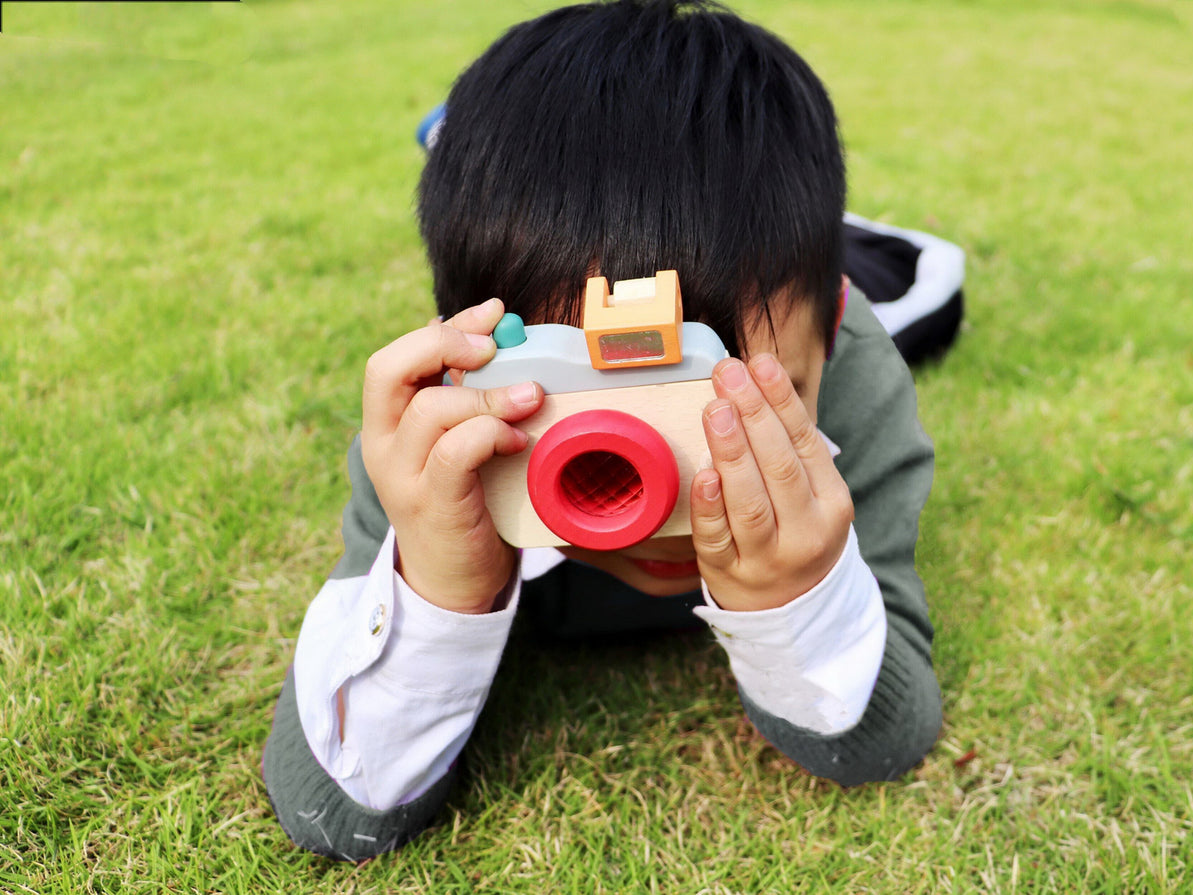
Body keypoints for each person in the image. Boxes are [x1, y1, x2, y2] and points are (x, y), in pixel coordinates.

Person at [263, 0, 942, 861]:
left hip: (826, 291)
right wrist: (441, 584)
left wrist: (793, 594)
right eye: (590, 414)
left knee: (924, 296)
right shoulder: (444, 428)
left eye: (734, 406)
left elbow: (884, 736)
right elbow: (331, 812)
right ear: (478, 373)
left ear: (823, 341)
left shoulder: (846, 373)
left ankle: (857, 249)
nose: (652, 484)